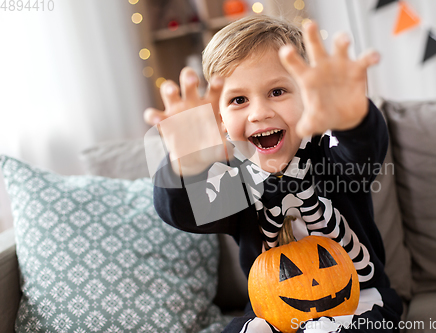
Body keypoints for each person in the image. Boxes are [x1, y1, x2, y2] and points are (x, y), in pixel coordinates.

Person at [144, 14, 402, 333]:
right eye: (238, 100)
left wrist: (352, 119)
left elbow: (360, 151)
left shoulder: (330, 154)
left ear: (308, 97)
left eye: (277, 91)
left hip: (360, 300)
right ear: (220, 121)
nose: (259, 112)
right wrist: (189, 166)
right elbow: (184, 213)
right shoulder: (233, 179)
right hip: (269, 312)